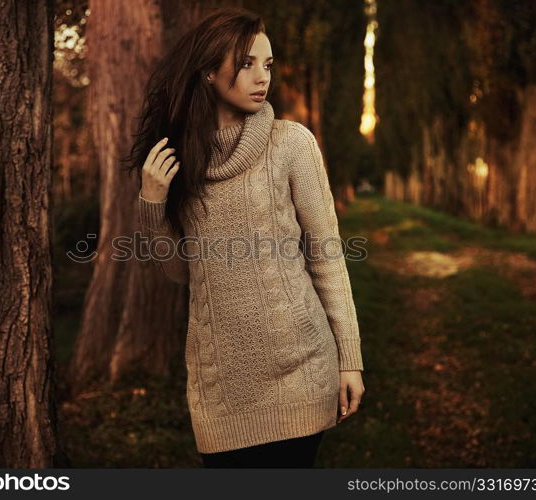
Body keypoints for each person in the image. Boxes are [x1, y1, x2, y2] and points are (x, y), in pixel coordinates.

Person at [124, 6, 365, 468]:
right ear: (210, 73)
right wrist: (153, 203)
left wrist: (349, 359)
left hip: (301, 372)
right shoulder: (181, 161)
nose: (262, 78)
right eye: (247, 63)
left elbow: (327, 257)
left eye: (267, 64)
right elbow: (179, 274)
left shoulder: (292, 143)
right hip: (223, 390)